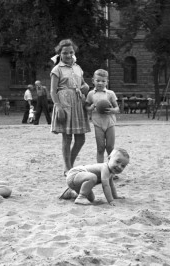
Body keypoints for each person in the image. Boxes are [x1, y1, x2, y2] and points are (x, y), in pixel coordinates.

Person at [50, 39, 91, 175]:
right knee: (67, 138)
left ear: (74, 53)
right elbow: (52, 91)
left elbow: (83, 84)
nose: (68, 55)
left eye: (71, 52)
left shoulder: (78, 68)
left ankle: (70, 165)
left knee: (81, 139)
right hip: (65, 105)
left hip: (78, 104)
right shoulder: (57, 69)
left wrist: (85, 87)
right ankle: (67, 168)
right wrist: (58, 107)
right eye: (65, 53)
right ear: (60, 54)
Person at [59, 148, 129, 206]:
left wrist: (115, 196)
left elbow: (111, 186)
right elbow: (106, 186)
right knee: (93, 177)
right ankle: (80, 197)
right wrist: (110, 201)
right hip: (74, 174)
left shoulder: (110, 173)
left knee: (91, 198)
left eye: (123, 166)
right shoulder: (105, 168)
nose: (119, 166)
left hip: (79, 182)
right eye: (117, 161)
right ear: (109, 158)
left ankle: (72, 193)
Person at [85, 69, 120, 163]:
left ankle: (111, 169)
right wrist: (91, 107)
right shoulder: (91, 94)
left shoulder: (110, 93)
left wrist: (112, 110)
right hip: (98, 124)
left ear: (107, 82)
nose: (100, 83)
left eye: (103, 81)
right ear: (93, 81)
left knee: (110, 147)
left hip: (110, 123)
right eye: (98, 80)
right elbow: (86, 107)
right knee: (100, 148)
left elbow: (117, 109)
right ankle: (100, 169)